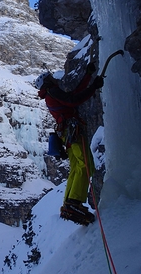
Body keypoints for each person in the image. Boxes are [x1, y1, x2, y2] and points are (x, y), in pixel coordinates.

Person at [35, 63, 104, 225]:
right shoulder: (53, 92)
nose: (54, 79)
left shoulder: (51, 94)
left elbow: (73, 94)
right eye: (50, 78)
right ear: (47, 82)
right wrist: (93, 87)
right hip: (73, 131)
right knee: (85, 166)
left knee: (76, 167)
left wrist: (88, 76)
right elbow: (73, 100)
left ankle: (69, 203)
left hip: (67, 134)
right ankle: (74, 202)